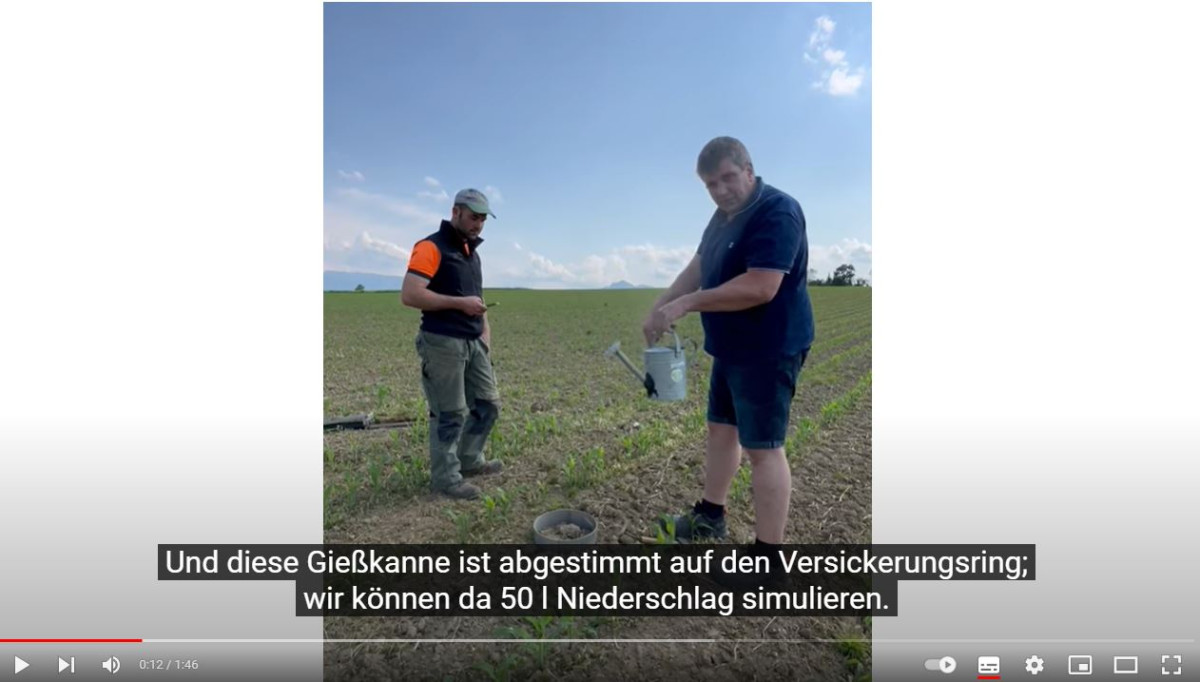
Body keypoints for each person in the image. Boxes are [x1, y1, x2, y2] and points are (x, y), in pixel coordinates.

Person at [643, 137, 814, 550]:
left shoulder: (778, 210)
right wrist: (660, 304)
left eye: (728, 178)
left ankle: (769, 558)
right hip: (731, 346)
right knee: (721, 431)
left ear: (749, 170)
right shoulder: (722, 218)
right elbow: (700, 265)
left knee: (764, 450)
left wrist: (685, 304)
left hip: (768, 348)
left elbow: (761, 286)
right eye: (710, 185)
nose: (721, 190)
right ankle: (710, 517)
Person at [401, 188, 503, 500]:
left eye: (483, 219)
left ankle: (470, 460)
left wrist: (484, 334)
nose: (479, 225)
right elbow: (411, 294)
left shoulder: (473, 253)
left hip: (473, 343)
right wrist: (460, 305)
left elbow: (478, 298)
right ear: (455, 212)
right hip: (442, 342)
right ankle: (446, 478)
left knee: (488, 405)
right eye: (474, 217)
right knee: (450, 413)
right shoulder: (431, 247)